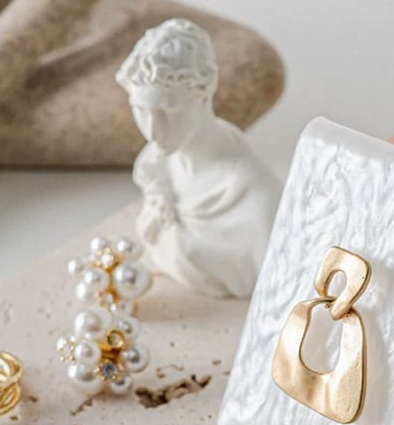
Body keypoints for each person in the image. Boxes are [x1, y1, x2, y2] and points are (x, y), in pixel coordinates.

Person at [116, 18, 279, 298]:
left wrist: (188, 248)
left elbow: (266, 274)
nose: (153, 131)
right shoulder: (155, 163)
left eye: (170, 111)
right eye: (141, 110)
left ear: (205, 94)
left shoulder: (254, 194)